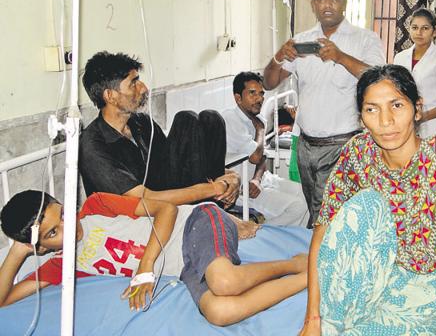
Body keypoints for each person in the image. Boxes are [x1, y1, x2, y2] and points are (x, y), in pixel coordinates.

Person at [300, 65, 436, 336]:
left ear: (417, 109)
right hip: (372, 274)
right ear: (362, 118)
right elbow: (324, 228)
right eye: (372, 109)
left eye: (397, 105)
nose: (385, 121)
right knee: (367, 204)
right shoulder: (359, 153)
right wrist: (312, 320)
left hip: (426, 283)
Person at [0, 190, 307, 326]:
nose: (69, 227)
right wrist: (18, 250)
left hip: (194, 224)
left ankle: (293, 263)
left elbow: (166, 209)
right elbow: (5, 301)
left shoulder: (96, 206)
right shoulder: (59, 268)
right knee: (219, 311)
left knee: (224, 281)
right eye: (54, 233)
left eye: (64, 214)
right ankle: (308, 276)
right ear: (39, 247)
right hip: (185, 267)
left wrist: (144, 269)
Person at [264, 0, 385, 226]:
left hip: (342, 145)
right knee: (315, 210)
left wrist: (341, 57)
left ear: (345, 2)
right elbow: (269, 82)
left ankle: (319, 262)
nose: (327, 4)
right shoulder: (301, 41)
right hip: (306, 147)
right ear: (313, 5)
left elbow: (378, 79)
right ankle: (318, 257)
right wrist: (278, 56)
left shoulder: (364, 39)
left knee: (329, 219)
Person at [79, 51, 240, 207]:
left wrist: (229, 179)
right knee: (186, 119)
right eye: (133, 83)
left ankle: (215, 205)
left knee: (211, 118)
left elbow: (182, 162)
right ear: (110, 96)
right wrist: (214, 188)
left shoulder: (141, 123)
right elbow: (145, 198)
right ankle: (210, 209)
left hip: (165, 195)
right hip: (139, 213)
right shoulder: (92, 145)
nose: (143, 88)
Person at [222, 71, 308, 226]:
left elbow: (263, 157)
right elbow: (255, 156)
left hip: (259, 181)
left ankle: (291, 241)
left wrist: (257, 179)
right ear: (238, 98)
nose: (259, 99)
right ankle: (260, 234)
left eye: (261, 94)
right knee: (297, 207)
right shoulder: (231, 120)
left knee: (306, 194)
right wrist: (260, 130)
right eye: (252, 93)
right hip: (242, 190)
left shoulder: (258, 119)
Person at [394, 8, 436, 137]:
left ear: (434, 31)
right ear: (409, 29)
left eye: (425, 28)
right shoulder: (400, 58)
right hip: (402, 123)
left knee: (426, 156)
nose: (419, 32)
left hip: (431, 126)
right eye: (414, 27)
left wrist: (424, 117)